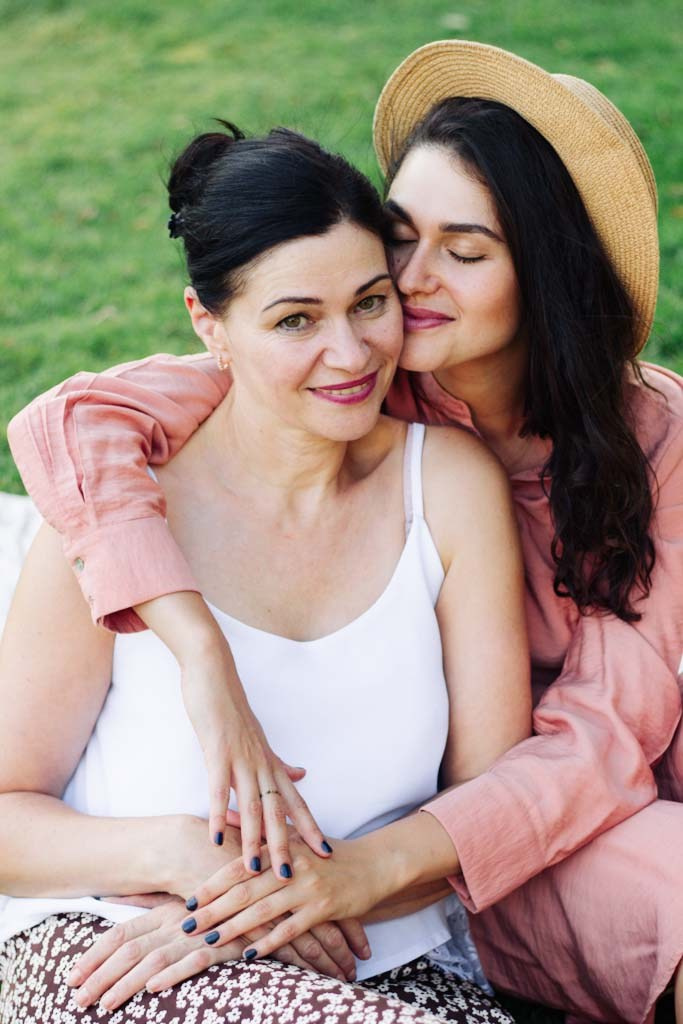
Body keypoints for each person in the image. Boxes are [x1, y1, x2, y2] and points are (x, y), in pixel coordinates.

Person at [8, 40, 683, 1024]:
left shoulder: (625, 445)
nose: (403, 288)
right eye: (398, 240)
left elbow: (590, 743)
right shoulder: (347, 384)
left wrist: (336, 880)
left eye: (463, 252)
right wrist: (199, 657)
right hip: (300, 889)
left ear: (545, 272)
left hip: (529, 824)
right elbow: (75, 420)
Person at [0, 122, 530, 1022]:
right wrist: (187, 859)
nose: (351, 353)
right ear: (207, 324)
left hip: (377, 958)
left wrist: (303, 895)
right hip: (124, 948)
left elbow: (484, 804)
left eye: (369, 302)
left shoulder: (446, 485)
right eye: (295, 320)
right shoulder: (117, 511)